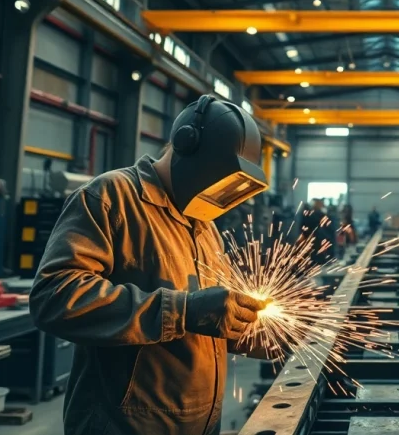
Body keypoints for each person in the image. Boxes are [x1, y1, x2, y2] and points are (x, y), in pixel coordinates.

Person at [30, 95, 272, 435]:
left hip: (197, 425)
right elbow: (54, 298)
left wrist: (264, 335)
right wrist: (181, 311)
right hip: (125, 426)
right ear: (187, 144)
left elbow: (212, 320)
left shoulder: (204, 225)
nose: (217, 197)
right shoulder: (111, 197)